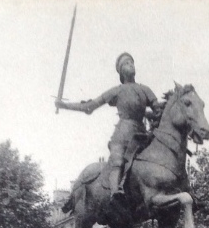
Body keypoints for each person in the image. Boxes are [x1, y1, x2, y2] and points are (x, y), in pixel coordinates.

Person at [55, 53, 162, 202]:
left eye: (132, 62)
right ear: (120, 71)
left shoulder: (145, 89)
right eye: (126, 63)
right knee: (117, 160)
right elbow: (90, 106)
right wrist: (65, 105)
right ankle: (115, 192)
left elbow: (158, 110)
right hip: (122, 135)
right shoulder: (116, 91)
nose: (130, 65)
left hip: (142, 136)